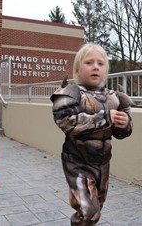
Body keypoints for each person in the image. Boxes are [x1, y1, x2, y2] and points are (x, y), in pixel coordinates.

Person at [50, 43, 133, 226]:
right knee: (89, 212)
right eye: (89, 62)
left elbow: (122, 132)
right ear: (78, 69)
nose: (96, 66)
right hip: (77, 162)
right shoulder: (71, 93)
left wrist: (124, 123)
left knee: (97, 207)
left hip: (103, 163)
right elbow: (66, 121)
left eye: (101, 63)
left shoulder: (114, 97)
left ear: (106, 70)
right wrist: (105, 118)